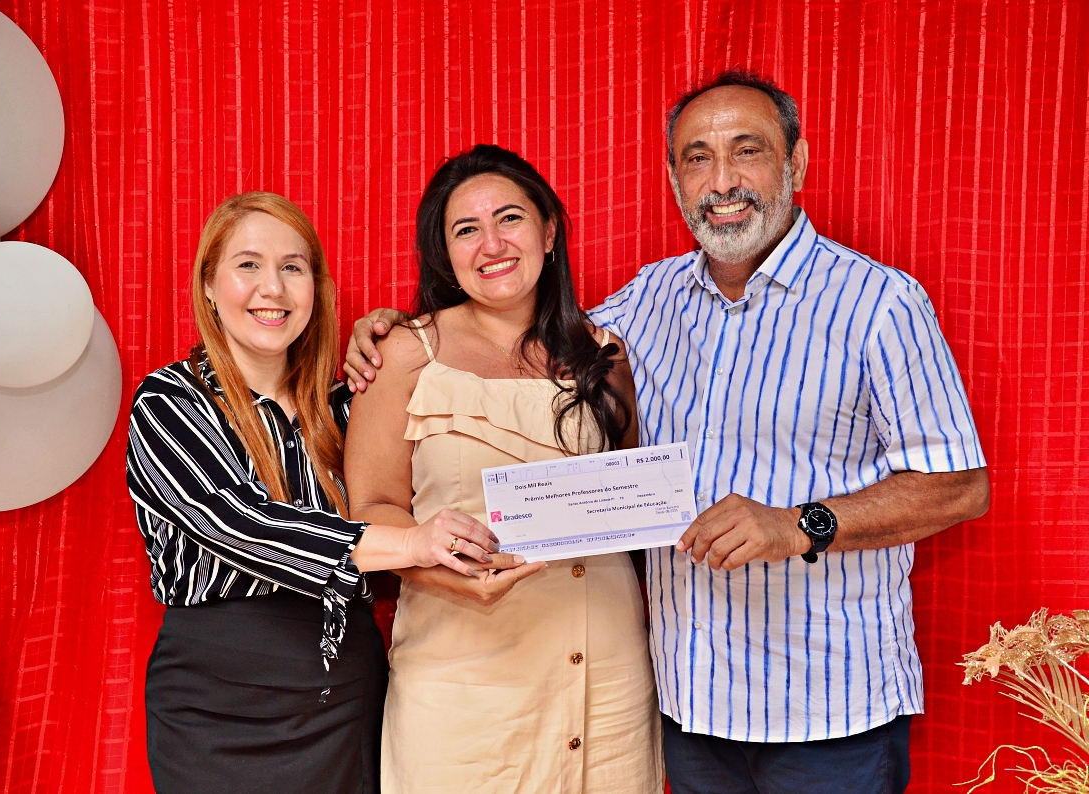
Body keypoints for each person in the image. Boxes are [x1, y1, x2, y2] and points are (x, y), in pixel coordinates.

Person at [343, 72, 991, 793]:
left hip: (825, 708)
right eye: (697, 158)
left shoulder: (880, 303)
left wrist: (797, 525)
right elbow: (515, 338)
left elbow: (961, 486)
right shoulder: (641, 308)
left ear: (797, 162)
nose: (723, 181)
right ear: (674, 177)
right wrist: (389, 331)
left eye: (747, 150)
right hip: (688, 703)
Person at [125, 192, 500, 794]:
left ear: (316, 290)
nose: (272, 288)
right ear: (209, 286)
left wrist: (395, 341)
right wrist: (411, 543)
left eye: (292, 267)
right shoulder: (169, 402)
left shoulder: (346, 407)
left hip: (346, 695)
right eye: (248, 264)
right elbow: (240, 525)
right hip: (218, 708)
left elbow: (437, 463)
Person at [343, 145, 664, 793]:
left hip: (607, 679)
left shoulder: (606, 355)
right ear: (445, 254)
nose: (492, 244)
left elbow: (632, 500)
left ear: (548, 232)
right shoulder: (404, 353)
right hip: (463, 683)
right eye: (467, 229)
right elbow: (369, 511)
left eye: (509, 218)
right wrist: (443, 570)